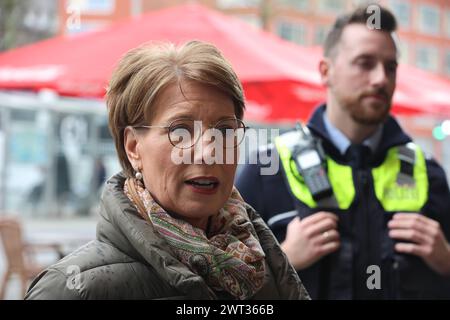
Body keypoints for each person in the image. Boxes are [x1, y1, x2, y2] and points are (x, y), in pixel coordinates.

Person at [25, 41, 309, 300]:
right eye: (181, 131)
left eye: (224, 131)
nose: (209, 151)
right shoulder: (70, 289)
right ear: (134, 147)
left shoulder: (263, 265)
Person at [236, 5, 450, 299]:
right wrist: (280, 263)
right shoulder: (265, 168)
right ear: (326, 71)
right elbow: (222, 293)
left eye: (390, 67)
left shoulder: (428, 172)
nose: (381, 79)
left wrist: (447, 261)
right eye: (365, 63)